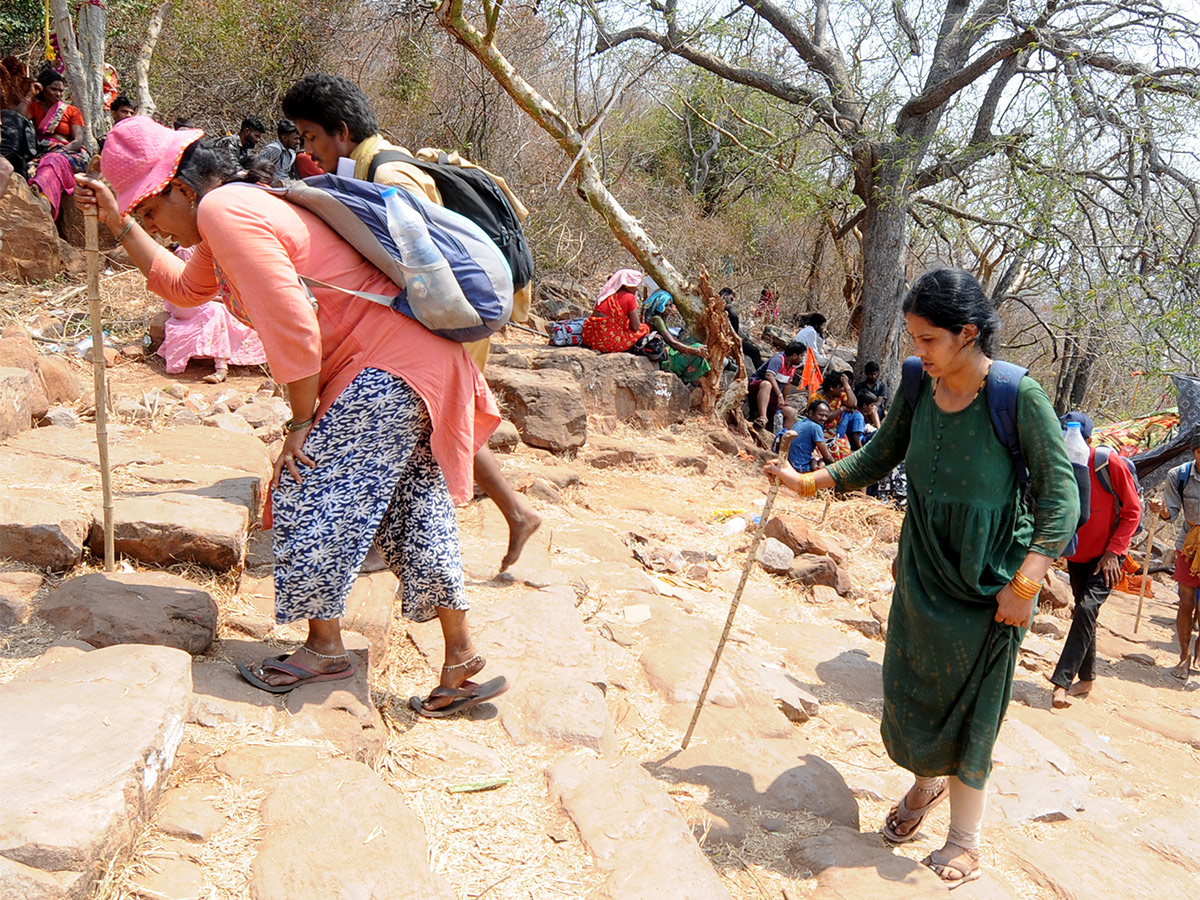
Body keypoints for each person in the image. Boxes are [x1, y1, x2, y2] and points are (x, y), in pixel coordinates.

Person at [75, 117, 505, 716]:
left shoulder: (226, 213)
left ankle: (324, 647)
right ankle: (459, 660)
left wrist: (299, 424)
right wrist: (122, 226)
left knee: (305, 486)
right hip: (416, 365)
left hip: (386, 366)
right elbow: (181, 286)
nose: (156, 229)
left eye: (150, 214)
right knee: (413, 507)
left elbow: (293, 323)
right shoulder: (228, 219)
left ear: (179, 188)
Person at [765, 268, 1077, 887]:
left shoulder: (1017, 396)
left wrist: (1028, 582)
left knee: (974, 708)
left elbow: (1061, 496)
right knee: (917, 689)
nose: (918, 352)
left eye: (928, 339)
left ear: (966, 334)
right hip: (923, 566)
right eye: (913, 338)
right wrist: (809, 482)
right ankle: (926, 784)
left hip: (992, 581)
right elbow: (881, 454)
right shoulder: (916, 382)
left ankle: (965, 839)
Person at [282, 72, 541, 572]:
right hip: (431, 315)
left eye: (312, 136)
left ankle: (400, 538)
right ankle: (514, 511)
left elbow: (434, 259)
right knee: (442, 418)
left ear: (340, 129)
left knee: (431, 420)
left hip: (445, 315)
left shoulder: (389, 175)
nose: (309, 149)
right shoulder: (370, 167)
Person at [1049, 412, 1141, 707]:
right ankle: (1087, 678)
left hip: (1108, 558)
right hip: (1077, 553)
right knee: (1083, 611)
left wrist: (1115, 551)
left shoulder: (1106, 462)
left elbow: (1132, 511)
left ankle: (1061, 681)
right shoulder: (1058, 464)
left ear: (1088, 440)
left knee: (1087, 608)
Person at [158, 245, 267, 382]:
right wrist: (222, 298)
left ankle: (266, 361)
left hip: (211, 297)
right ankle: (221, 368)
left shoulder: (215, 246)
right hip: (185, 302)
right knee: (216, 311)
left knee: (251, 309)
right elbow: (187, 289)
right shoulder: (185, 252)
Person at [1148, 440, 1200, 682]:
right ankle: (1183, 656)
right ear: (1196, 452)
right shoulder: (1178, 476)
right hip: (1189, 545)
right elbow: (1171, 513)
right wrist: (1160, 509)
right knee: (1186, 602)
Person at [17, 70, 89, 218]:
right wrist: (30, 95)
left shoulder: (71, 111)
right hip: (43, 154)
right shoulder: (35, 108)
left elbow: (78, 141)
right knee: (35, 166)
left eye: (61, 91)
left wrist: (59, 151)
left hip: (71, 154)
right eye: (54, 89)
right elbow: (16, 119)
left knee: (52, 161)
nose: (58, 94)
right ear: (43, 89)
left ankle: (43, 195)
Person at [580, 268, 657, 354]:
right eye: (635, 285)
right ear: (627, 285)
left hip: (589, 337)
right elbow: (635, 327)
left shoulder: (605, 294)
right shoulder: (629, 297)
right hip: (607, 341)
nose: (637, 289)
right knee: (644, 328)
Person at [643, 289, 709, 384]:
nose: (669, 308)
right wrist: (694, 350)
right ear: (659, 305)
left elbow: (674, 339)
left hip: (668, 352)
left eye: (670, 305)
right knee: (697, 349)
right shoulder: (657, 320)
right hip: (666, 359)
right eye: (666, 306)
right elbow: (671, 342)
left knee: (695, 343)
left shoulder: (660, 319)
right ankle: (682, 379)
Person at [748, 342, 804, 430]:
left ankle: (783, 439)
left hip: (772, 396)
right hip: (758, 388)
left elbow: (787, 385)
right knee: (767, 384)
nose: (802, 359)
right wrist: (779, 395)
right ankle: (763, 417)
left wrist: (783, 401)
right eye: (801, 356)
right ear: (794, 355)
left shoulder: (792, 367)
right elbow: (769, 375)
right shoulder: (778, 359)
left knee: (791, 412)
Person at [721, 286, 763, 369]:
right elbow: (734, 316)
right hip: (727, 339)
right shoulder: (725, 303)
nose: (731, 301)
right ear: (726, 295)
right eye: (731, 298)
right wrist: (735, 336)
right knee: (755, 351)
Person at [786, 399, 834, 472]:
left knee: (816, 459)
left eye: (826, 416)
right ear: (811, 413)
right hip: (801, 468)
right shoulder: (815, 427)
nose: (824, 419)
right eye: (821, 415)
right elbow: (827, 457)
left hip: (790, 465)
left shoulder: (799, 423)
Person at [256, 118, 301, 184]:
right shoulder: (275, 149)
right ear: (284, 138)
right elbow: (257, 168)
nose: (298, 142)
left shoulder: (291, 152)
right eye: (295, 139)